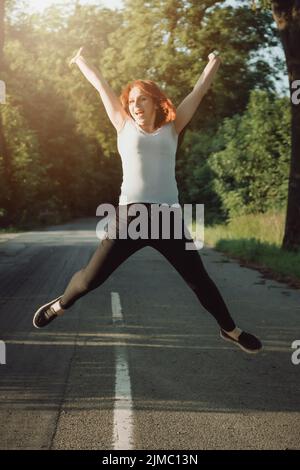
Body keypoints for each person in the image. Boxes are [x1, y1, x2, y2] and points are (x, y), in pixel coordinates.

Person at [33, 47, 262, 354]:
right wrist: (81, 61)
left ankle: (230, 330)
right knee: (90, 281)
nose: (135, 105)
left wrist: (214, 62)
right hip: (130, 218)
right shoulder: (122, 125)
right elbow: (101, 85)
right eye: (131, 101)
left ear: (155, 101)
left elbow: (199, 90)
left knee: (200, 281)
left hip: (168, 218)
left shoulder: (173, 126)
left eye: (142, 98)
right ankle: (60, 305)